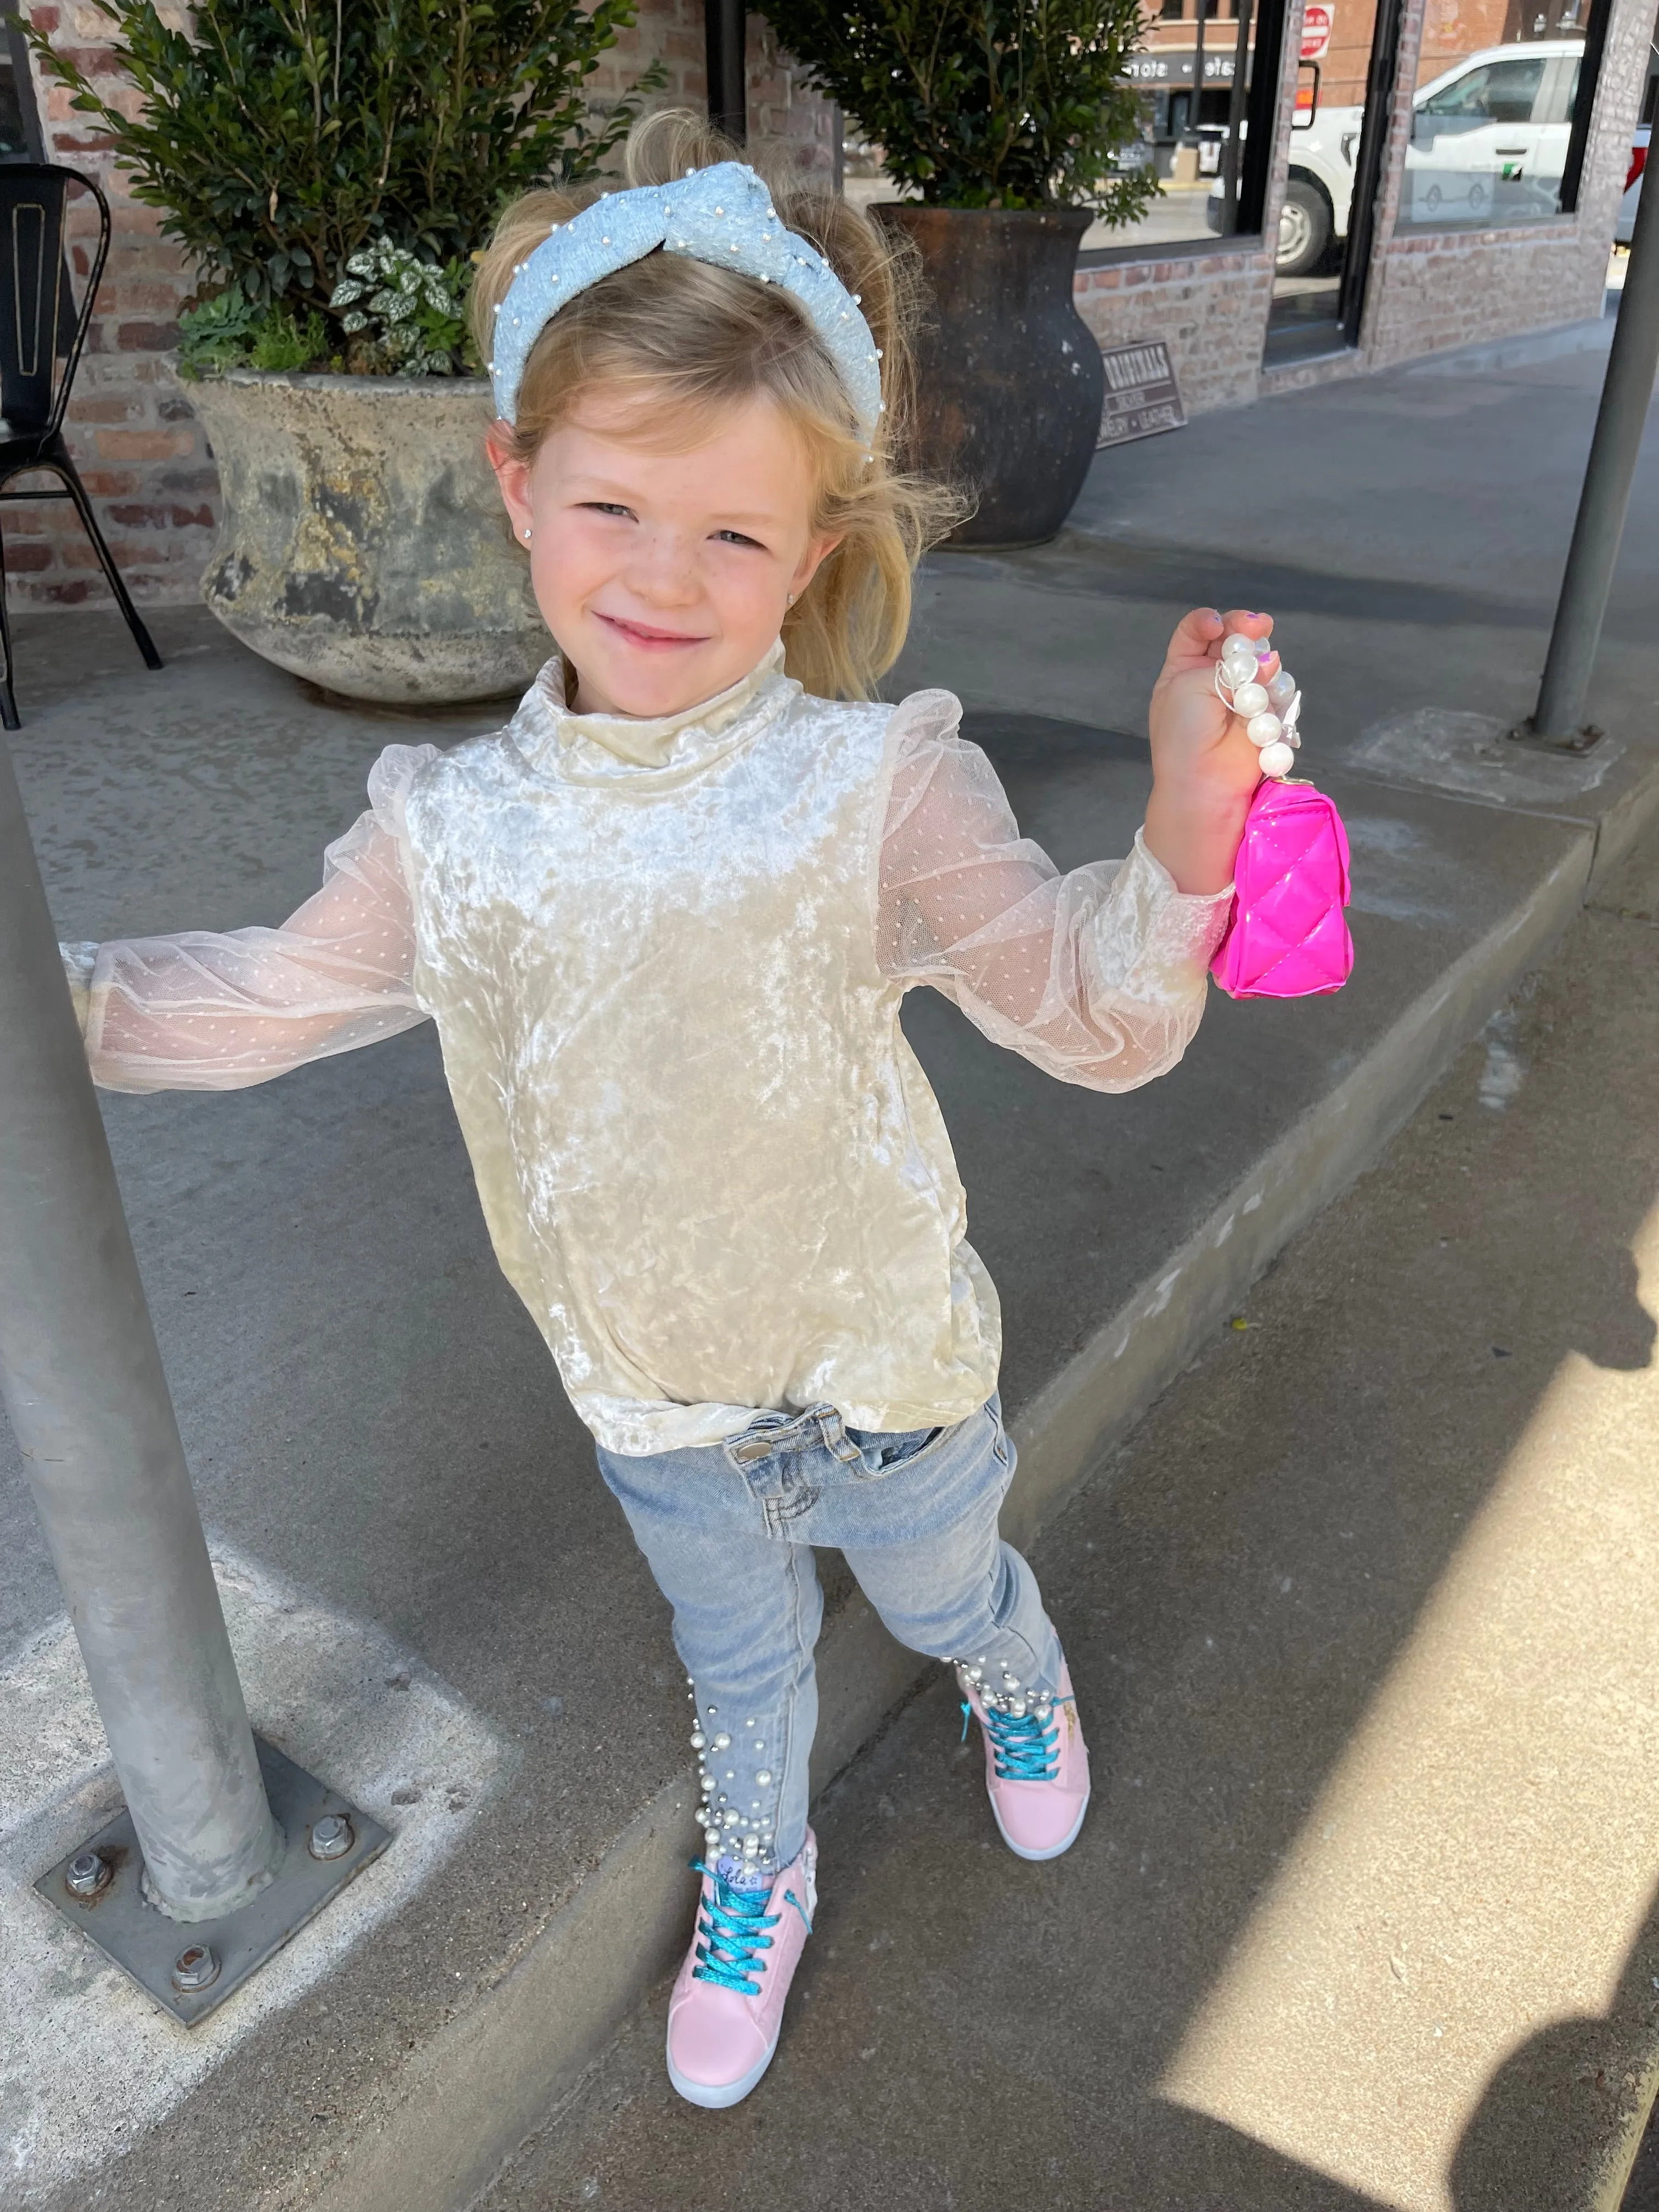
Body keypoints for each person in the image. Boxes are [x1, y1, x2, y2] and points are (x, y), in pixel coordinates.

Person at [60, 113, 1278, 2109]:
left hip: (886, 1358)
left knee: (941, 1575)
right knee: (742, 1675)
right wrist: (56, 1014)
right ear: (518, 484)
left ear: (814, 545)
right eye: (617, 506)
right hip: (656, 1402)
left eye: (734, 533)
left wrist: (1184, 829)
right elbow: (262, 1001)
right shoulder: (449, 835)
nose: (665, 575)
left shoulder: (876, 782)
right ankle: (762, 1861)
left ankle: (1011, 1667)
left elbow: (1095, 1021)